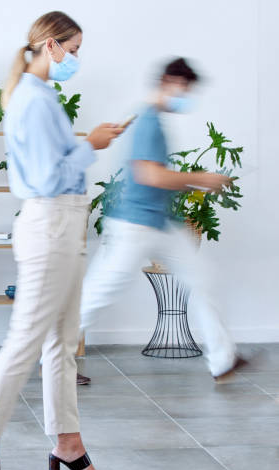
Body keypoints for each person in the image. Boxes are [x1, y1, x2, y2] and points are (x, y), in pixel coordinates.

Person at [0, 11, 122, 470]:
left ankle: (67, 443)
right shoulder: (32, 100)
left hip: (65, 223)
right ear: (50, 45)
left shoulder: (40, 96)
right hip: (50, 224)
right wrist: (90, 144)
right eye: (72, 50)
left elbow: (56, 165)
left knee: (62, 342)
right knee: (25, 340)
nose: (75, 59)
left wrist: (85, 146)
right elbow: (49, 176)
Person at [80, 57, 244, 382]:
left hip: (158, 223)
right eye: (185, 88)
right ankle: (49, 351)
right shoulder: (147, 122)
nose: (187, 97)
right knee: (100, 290)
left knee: (202, 279)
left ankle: (223, 359)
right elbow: (149, 175)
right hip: (135, 224)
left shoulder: (152, 118)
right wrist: (202, 178)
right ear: (169, 81)